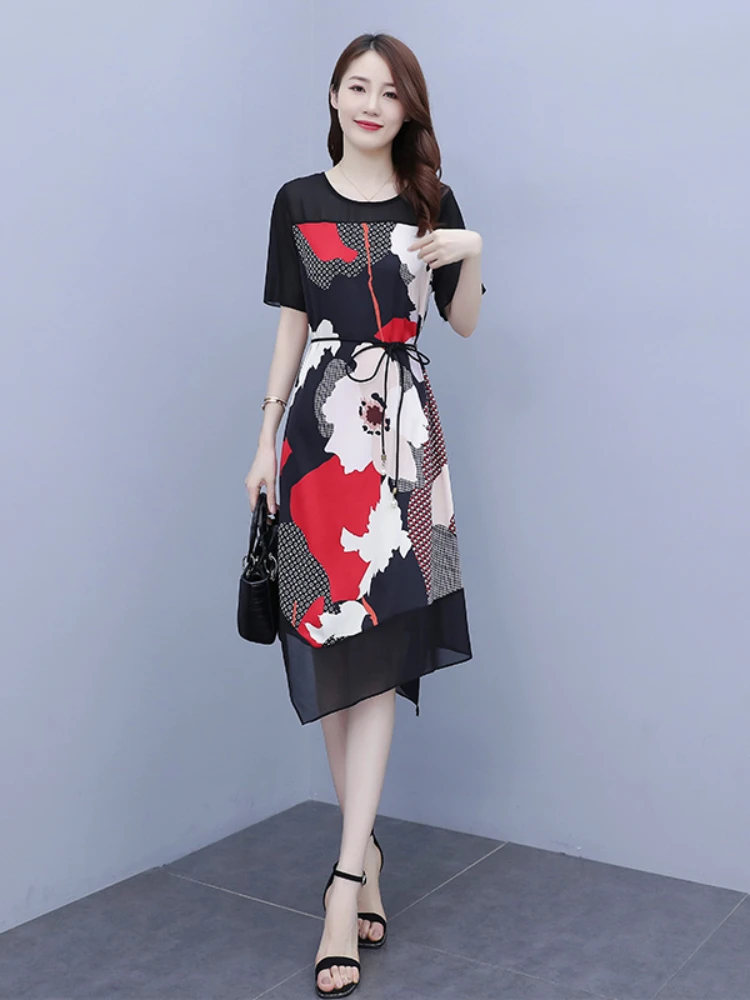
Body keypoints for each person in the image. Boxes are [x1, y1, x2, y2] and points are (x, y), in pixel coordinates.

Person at [245, 32, 486, 998]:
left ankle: (344, 883)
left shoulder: (432, 203)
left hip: (402, 446)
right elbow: (292, 327)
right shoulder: (297, 202)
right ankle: (367, 853)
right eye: (357, 86)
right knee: (334, 652)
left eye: (390, 91)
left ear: (408, 108)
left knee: (379, 654)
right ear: (335, 97)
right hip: (317, 441)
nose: (372, 103)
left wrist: (471, 248)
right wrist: (263, 439)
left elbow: (463, 322)